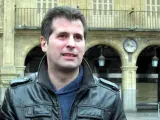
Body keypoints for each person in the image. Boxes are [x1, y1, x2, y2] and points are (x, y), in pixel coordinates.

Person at [1, 6, 126, 120]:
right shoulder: (17, 95)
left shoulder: (110, 97)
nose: (71, 44)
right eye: (62, 36)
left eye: (78, 37)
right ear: (44, 43)